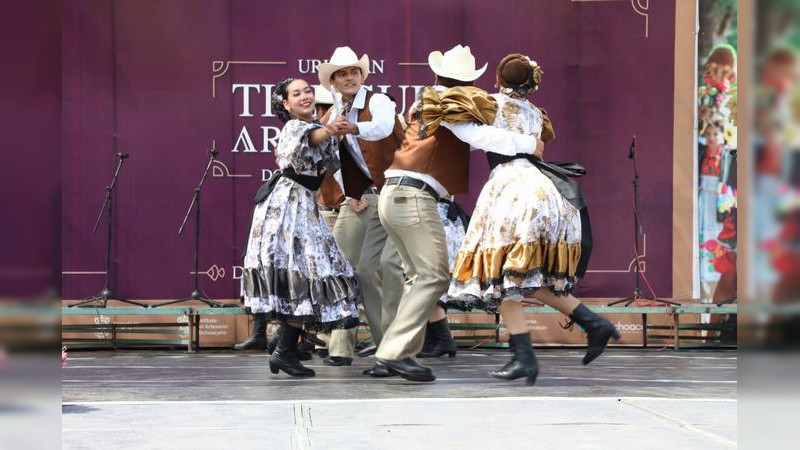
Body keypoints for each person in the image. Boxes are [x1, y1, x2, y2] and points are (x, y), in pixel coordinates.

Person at [445, 53, 619, 385]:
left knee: (506, 277)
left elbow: (469, 134)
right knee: (522, 278)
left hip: (512, 191)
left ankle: (526, 356)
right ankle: (592, 325)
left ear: (498, 80)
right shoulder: (537, 114)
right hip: (546, 192)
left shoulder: (490, 104)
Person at [374, 45, 544, 382]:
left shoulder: (433, 100)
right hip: (413, 196)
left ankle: (397, 353)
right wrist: (529, 144)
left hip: (397, 195)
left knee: (417, 277)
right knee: (434, 276)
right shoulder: (447, 102)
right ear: (465, 83)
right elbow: (475, 135)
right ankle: (394, 353)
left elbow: (471, 137)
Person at [240, 78, 361, 378]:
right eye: (297, 94)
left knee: (310, 276)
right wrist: (329, 129)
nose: (305, 96)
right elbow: (314, 137)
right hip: (287, 207)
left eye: (307, 91)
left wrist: (354, 194)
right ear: (286, 104)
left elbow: (334, 166)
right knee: (302, 276)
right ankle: (284, 351)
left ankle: (284, 350)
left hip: (304, 205)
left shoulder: (317, 128)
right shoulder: (295, 127)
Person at [317, 47, 406, 367]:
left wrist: (353, 128)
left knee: (383, 270)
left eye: (354, 72)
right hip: (361, 197)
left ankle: (391, 349)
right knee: (342, 267)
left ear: (362, 76)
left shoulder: (378, 101)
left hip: (394, 193)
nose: (349, 77)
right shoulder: (332, 114)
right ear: (333, 82)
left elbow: (382, 128)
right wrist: (349, 191)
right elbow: (330, 158)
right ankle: (341, 348)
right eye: (342, 74)